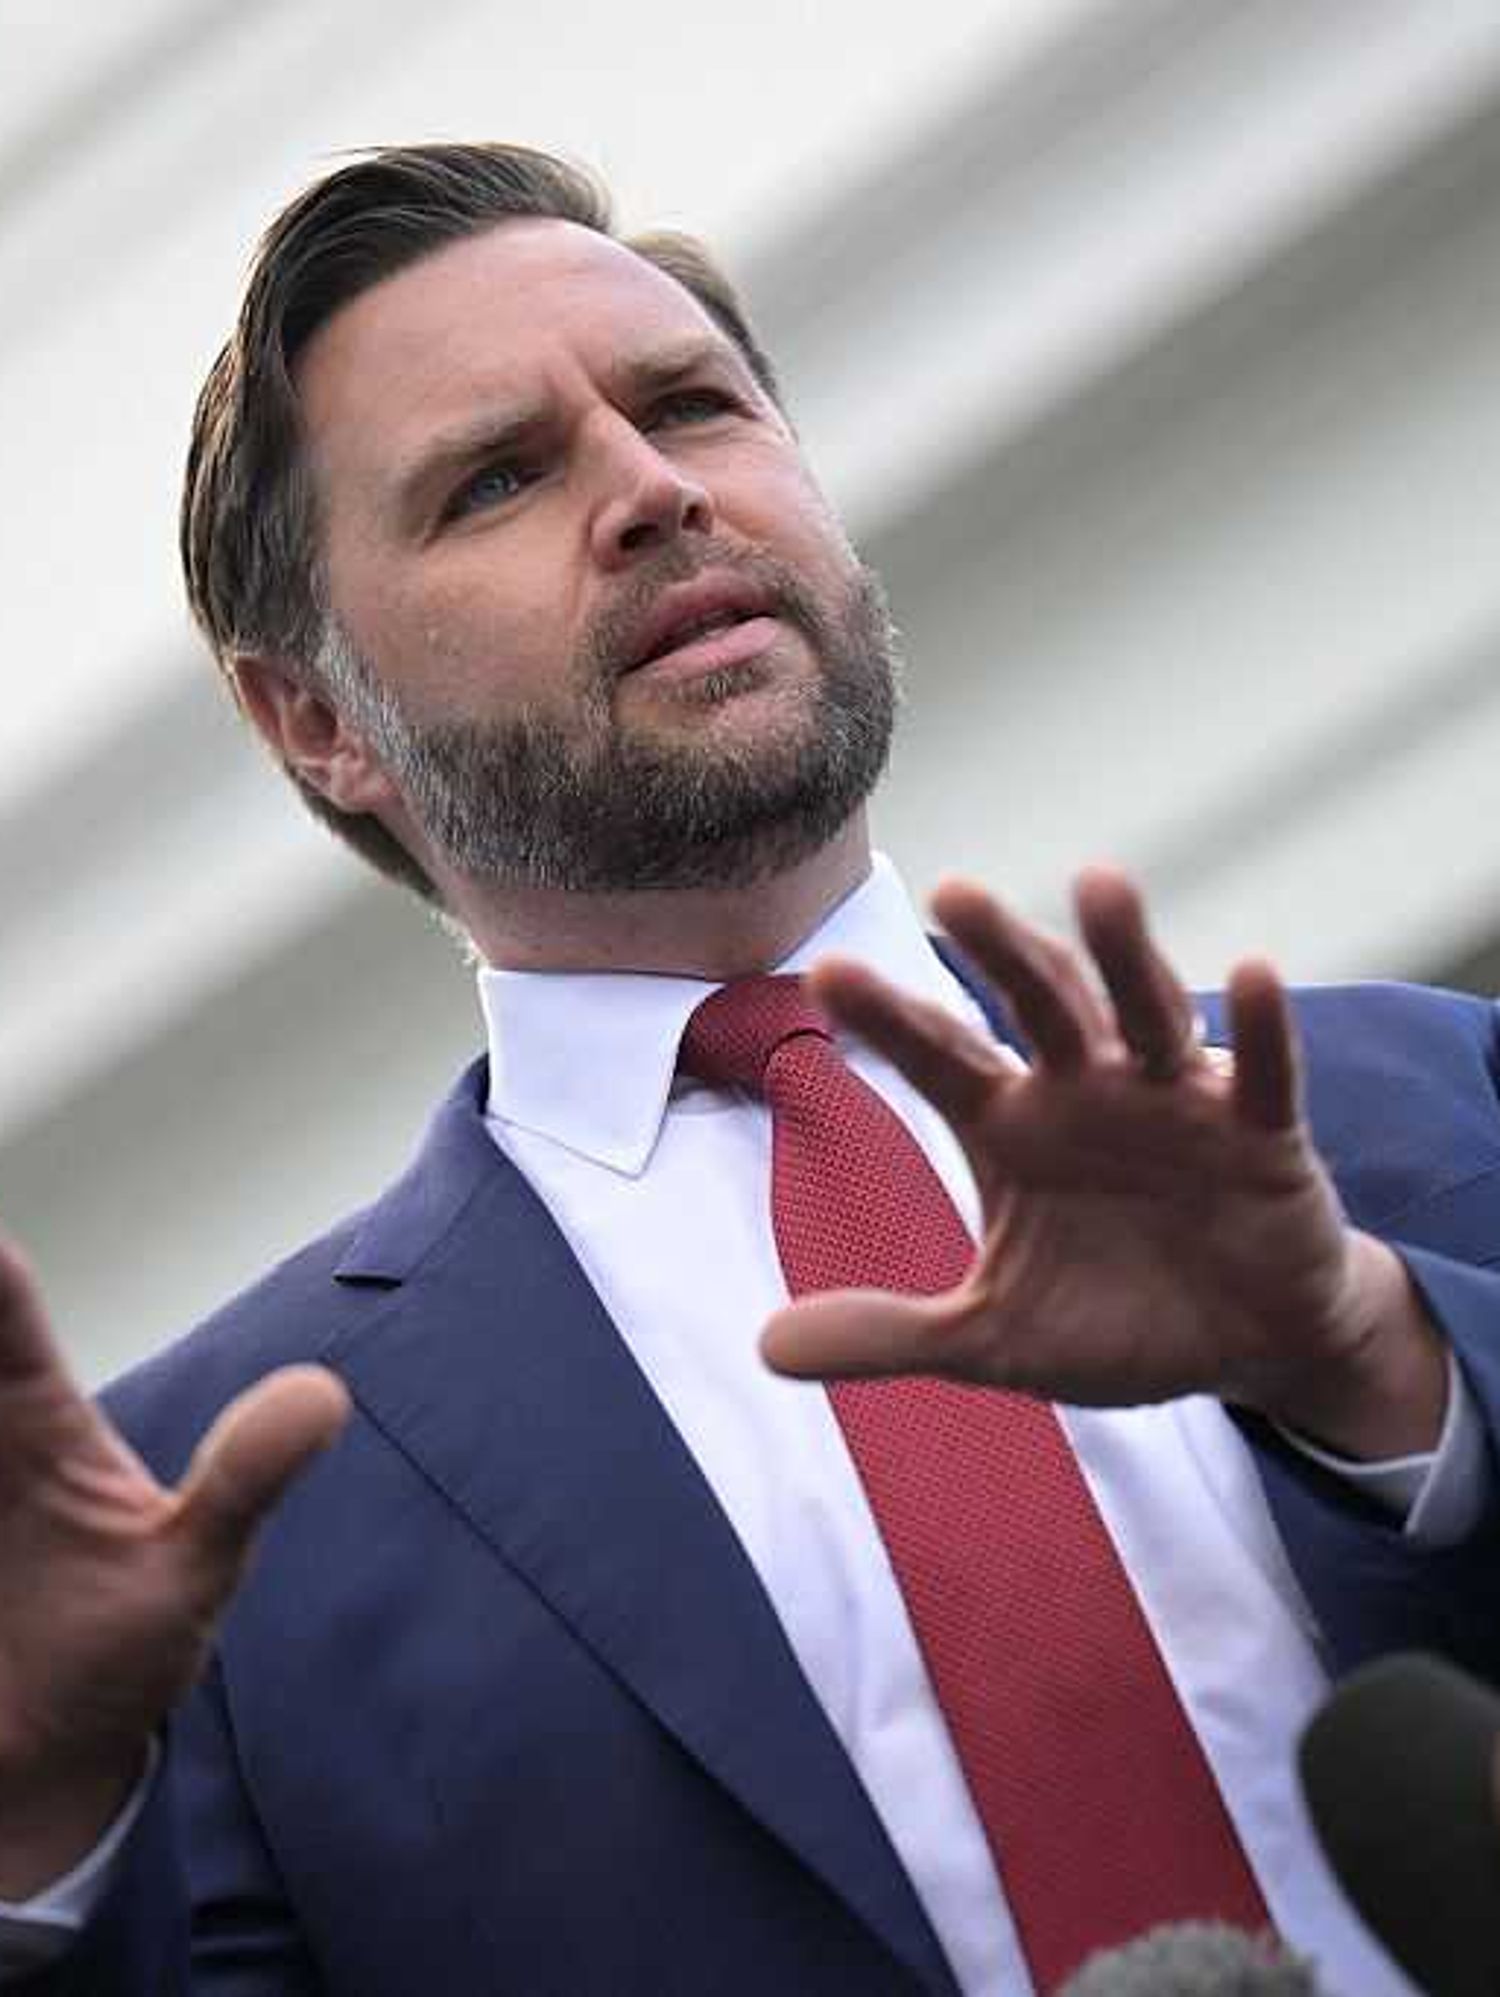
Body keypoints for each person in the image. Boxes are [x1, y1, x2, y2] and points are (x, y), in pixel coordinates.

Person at [0, 142, 1496, 1997]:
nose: (648, 492)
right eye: (497, 478)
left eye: (692, 405)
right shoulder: (198, 1506)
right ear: (315, 720)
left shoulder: (1442, 1104)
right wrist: (40, 1837)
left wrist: (1378, 1371)